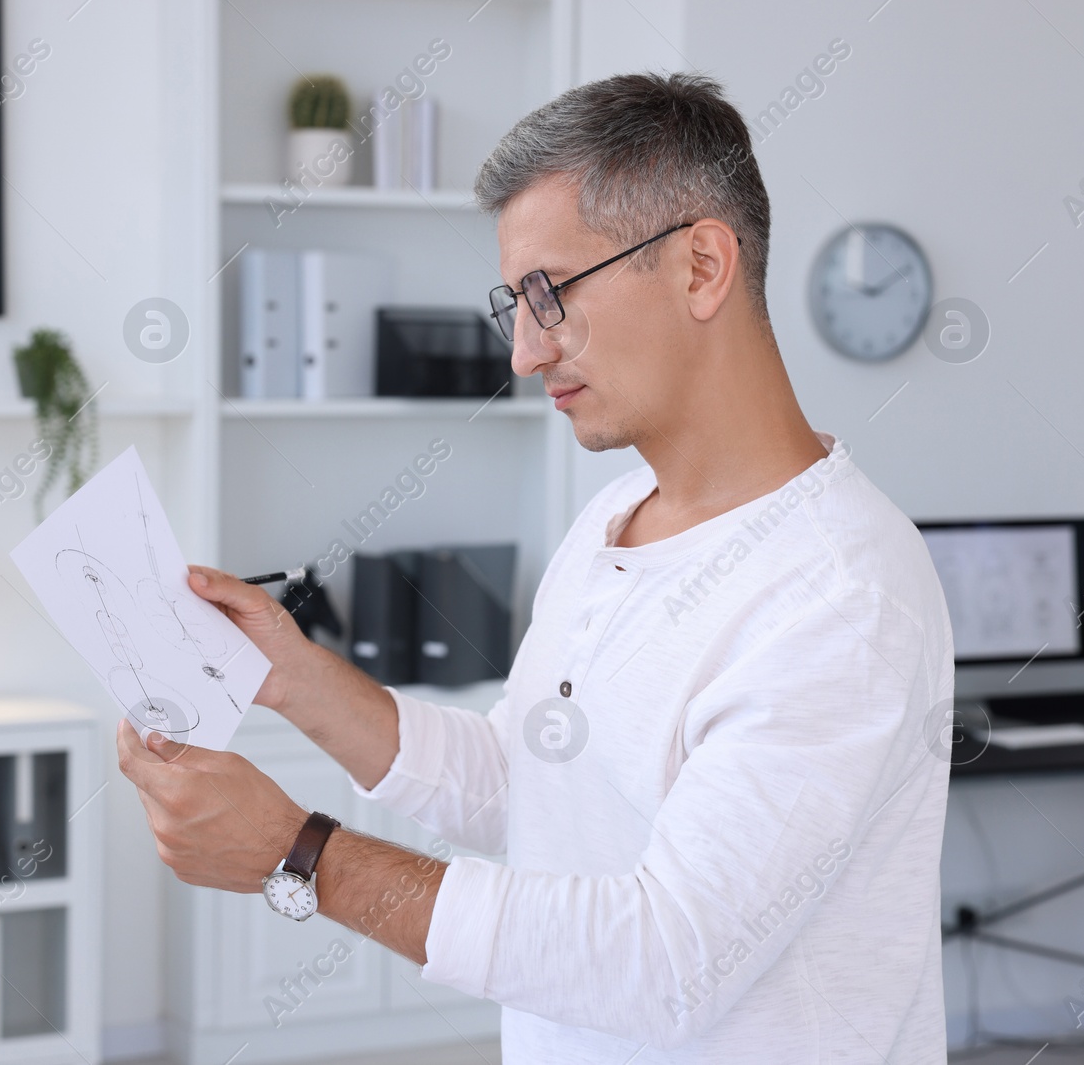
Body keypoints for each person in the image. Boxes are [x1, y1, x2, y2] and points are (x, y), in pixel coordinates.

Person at [118, 71, 954, 1063]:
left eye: (550, 293)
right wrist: (291, 676)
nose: (522, 351)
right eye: (513, 301)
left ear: (699, 266)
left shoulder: (838, 594)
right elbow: (521, 783)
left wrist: (301, 854)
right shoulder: (612, 519)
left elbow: (666, 957)